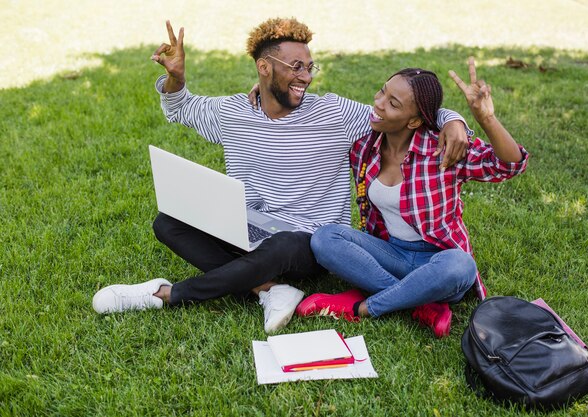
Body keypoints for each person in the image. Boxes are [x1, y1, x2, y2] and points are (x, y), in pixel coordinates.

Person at [91, 18, 472, 334]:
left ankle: (166, 295)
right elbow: (180, 107)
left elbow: (402, 111)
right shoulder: (233, 113)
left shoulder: (334, 114)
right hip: (246, 228)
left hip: (308, 242)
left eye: (309, 66)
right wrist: (175, 78)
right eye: (296, 67)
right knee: (168, 222)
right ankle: (269, 290)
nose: (305, 77)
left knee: (282, 246)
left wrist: (451, 118)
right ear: (264, 67)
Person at [298, 58, 529, 338]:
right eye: (382, 92)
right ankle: (420, 303)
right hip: (390, 253)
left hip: (436, 260)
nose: (379, 103)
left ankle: (366, 306)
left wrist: (485, 118)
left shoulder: (443, 148)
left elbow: (509, 165)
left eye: (394, 103)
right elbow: (306, 119)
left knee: (461, 265)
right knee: (325, 238)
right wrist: (266, 90)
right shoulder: (364, 147)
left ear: (415, 120)